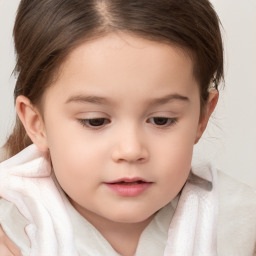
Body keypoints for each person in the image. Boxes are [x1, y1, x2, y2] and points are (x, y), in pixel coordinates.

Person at [0, 0, 256, 255]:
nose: (131, 150)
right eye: (95, 121)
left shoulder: (242, 225)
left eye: (161, 120)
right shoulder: (10, 229)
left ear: (202, 117)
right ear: (37, 123)